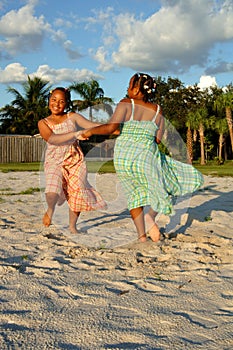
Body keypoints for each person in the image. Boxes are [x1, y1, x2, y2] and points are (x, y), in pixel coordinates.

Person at [77, 73, 204, 243]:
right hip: (145, 156)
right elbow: (158, 139)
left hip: (124, 157)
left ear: (137, 89)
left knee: (134, 194)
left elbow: (111, 127)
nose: (128, 88)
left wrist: (91, 131)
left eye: (130, 85)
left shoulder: (125, 104)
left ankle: (142, 236)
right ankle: (150, 217)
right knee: (166, 185)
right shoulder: (157, 110)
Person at [38, 87, 107, 234]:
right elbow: (53, 138)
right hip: (54, 160)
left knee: (77, 192)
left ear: (67, 103)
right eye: (54, 100)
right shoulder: (43, 122)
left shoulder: (73, 116)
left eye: (61, 101)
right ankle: (50, 209)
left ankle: (72, 226)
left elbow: (91, 126)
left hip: (75, 160)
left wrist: (111, 128)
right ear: (49, 101)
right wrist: (76, 134)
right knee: (53, 187)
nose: (57, 104)